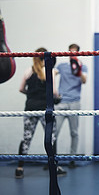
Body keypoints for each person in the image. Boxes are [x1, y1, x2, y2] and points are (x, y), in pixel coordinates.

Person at [16, 47, 66, 179]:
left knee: (26, 139)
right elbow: (54, 92)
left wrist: (32, 95)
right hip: (45, 109)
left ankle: (19, 168)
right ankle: (54, 167)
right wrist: (57, 96)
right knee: (51, 138)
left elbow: (21, 89)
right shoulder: (49, 71)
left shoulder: (28, 71)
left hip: (30, 108)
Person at [55, 43, 87, 168]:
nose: (71, 54)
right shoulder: (62, 66)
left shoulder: (83, 67)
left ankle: (72, 159)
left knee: (74, 132)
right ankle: (52, 159)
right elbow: (52, 73)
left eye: (74, 52)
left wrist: (78, 69)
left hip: (74, 103)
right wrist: (54, 90)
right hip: (61, 102)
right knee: (54, 133)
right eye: (70, 52)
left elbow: (84, 81)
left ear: (78, 53)